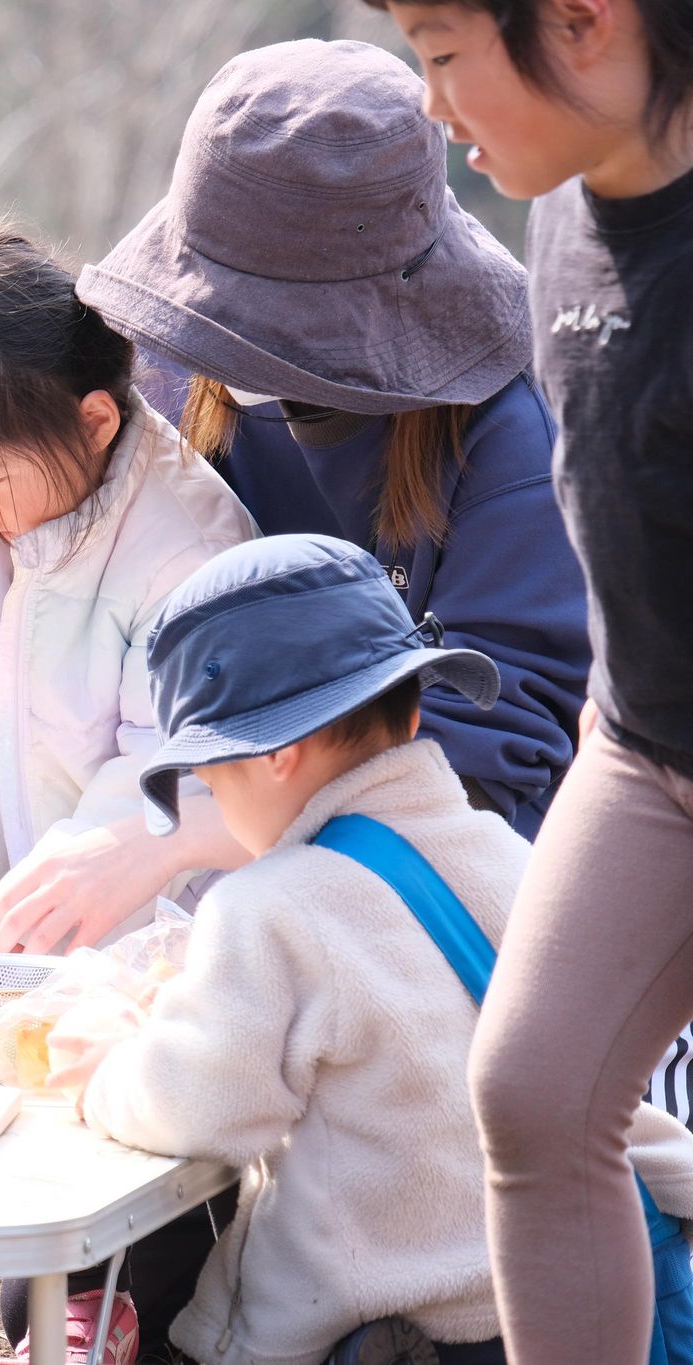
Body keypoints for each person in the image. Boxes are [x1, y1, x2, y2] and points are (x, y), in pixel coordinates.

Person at [0, 40, 588, 964]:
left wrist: (169, 836)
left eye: (260, 334)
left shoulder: (512, 449)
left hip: (433, 937)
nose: (201, 355)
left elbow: (474, 769)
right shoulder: (164, 349)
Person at [64, 534, 693, 1365]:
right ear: (414, 708)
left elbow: (202, 1103)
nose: (214, 804)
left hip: (395, 1330)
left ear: (275, 753)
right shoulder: (510, 855)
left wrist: (106, 1071)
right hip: (558, 1294)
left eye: (211, 782)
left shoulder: (268, 907)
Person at [371, 1, 693, 1358]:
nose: (431, 106)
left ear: (582, 20)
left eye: (445, 55)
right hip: (644, 747)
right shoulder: (561, 207)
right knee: (535, 1090)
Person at [0, 213, 255, 960]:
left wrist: (29, 937)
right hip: (34, 944)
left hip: (160, 950)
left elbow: (158, 777)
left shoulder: (185, 558)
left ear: (96, 421)